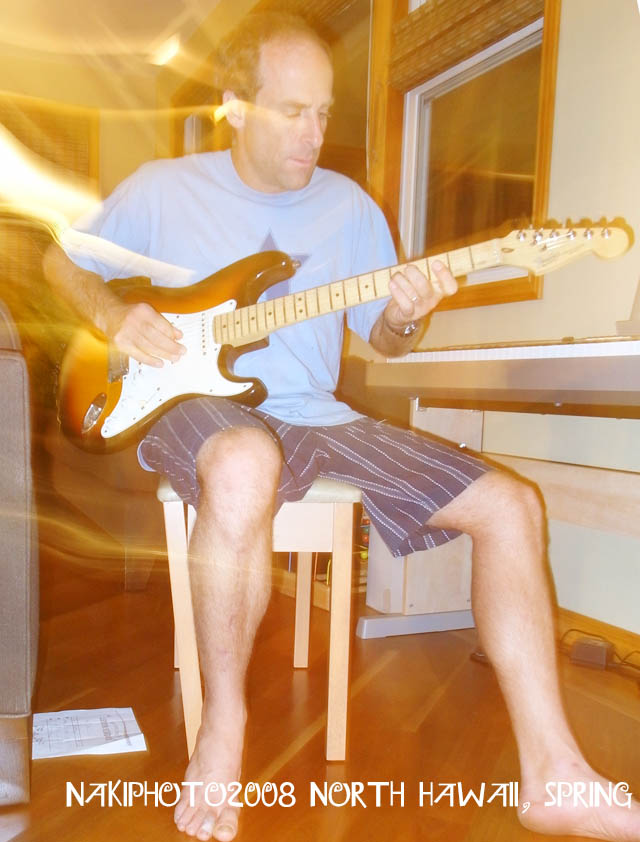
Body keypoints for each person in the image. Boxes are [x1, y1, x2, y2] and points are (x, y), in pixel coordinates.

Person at [43, 12, 640, 842]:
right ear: (236, 107)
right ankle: (223, 726)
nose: (315, 133)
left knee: (513, 505)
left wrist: (407, 314)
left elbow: (385, 341)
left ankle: (555, 776)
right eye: (293, 111)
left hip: (319, 413)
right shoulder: (160, 188)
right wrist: (114, 315)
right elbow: (60, 261)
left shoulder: (350, 208)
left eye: (324, 112)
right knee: (245, 458)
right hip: (191, 405)